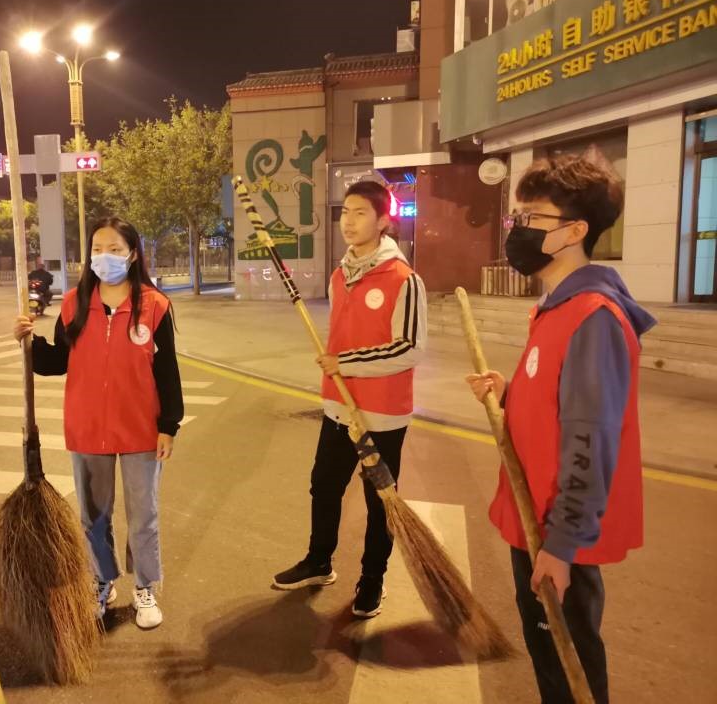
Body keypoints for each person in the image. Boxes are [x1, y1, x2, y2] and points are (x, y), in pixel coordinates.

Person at [465, 155, 655, 704]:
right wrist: (509, 393)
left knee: (568, 667)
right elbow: (561, 405)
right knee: (549, 657)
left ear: (575, 231)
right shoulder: (555, 308)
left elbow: (590, 440)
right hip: (537, 519)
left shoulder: (592, 317)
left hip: (555, 530)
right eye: (517, 216)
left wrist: (563, 545)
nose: (518, 229)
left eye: (532, 218)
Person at [13, 216, 183, 630]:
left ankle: (144, 586)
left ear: (133, 254)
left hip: (141, 428)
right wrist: (29, 343)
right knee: (94, 516)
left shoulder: (154, 305)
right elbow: (59, 361)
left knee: (144, 515)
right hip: (88, 426)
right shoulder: (74, 303)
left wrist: (169, 424)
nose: (105, 257)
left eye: (115, 249)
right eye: (98, 249)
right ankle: (102, 581)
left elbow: (167, 371)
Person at [272, 180, 427, 619]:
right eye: (345, 213)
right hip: (338, 406)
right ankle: (319, 561)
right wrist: (338, 366)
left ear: (383, 221)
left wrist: (346, 363)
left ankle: (372, 579)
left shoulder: (404, 279)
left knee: (381, 501)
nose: (349, 221)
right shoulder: (340, 276)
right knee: (324, 485)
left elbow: (409, 347)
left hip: (383, 412)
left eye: (361, 213)